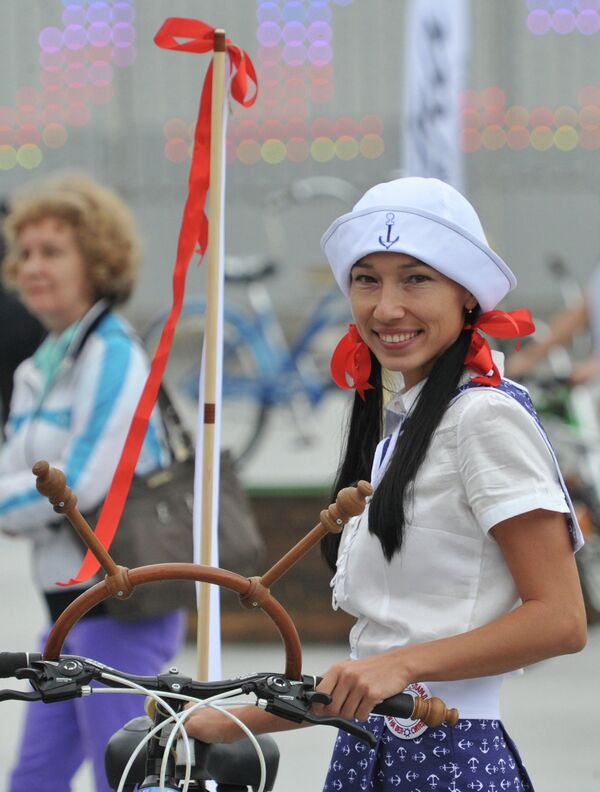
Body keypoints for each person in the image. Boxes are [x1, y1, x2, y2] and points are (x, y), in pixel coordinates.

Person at [184, 177, 587, 791]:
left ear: (467, 295)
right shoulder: (405, 426)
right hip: (370, 754)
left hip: (451, 763)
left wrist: (399, 665)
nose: (387, 307)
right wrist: (227, 720)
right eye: (367, 280)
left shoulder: (484, 418)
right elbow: (371, 672)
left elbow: (561, 619)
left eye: (415, 279)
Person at [0, 171, 186, 792]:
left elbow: (78, 484)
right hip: (69, 614)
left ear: (98, 262)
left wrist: (10, 505)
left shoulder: (111, 353)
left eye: (52, 251)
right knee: (34, 780)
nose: (32, 266)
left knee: (122, 780)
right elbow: (15, 473)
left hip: (119, 608)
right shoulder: (43, 362)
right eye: (25, 252)